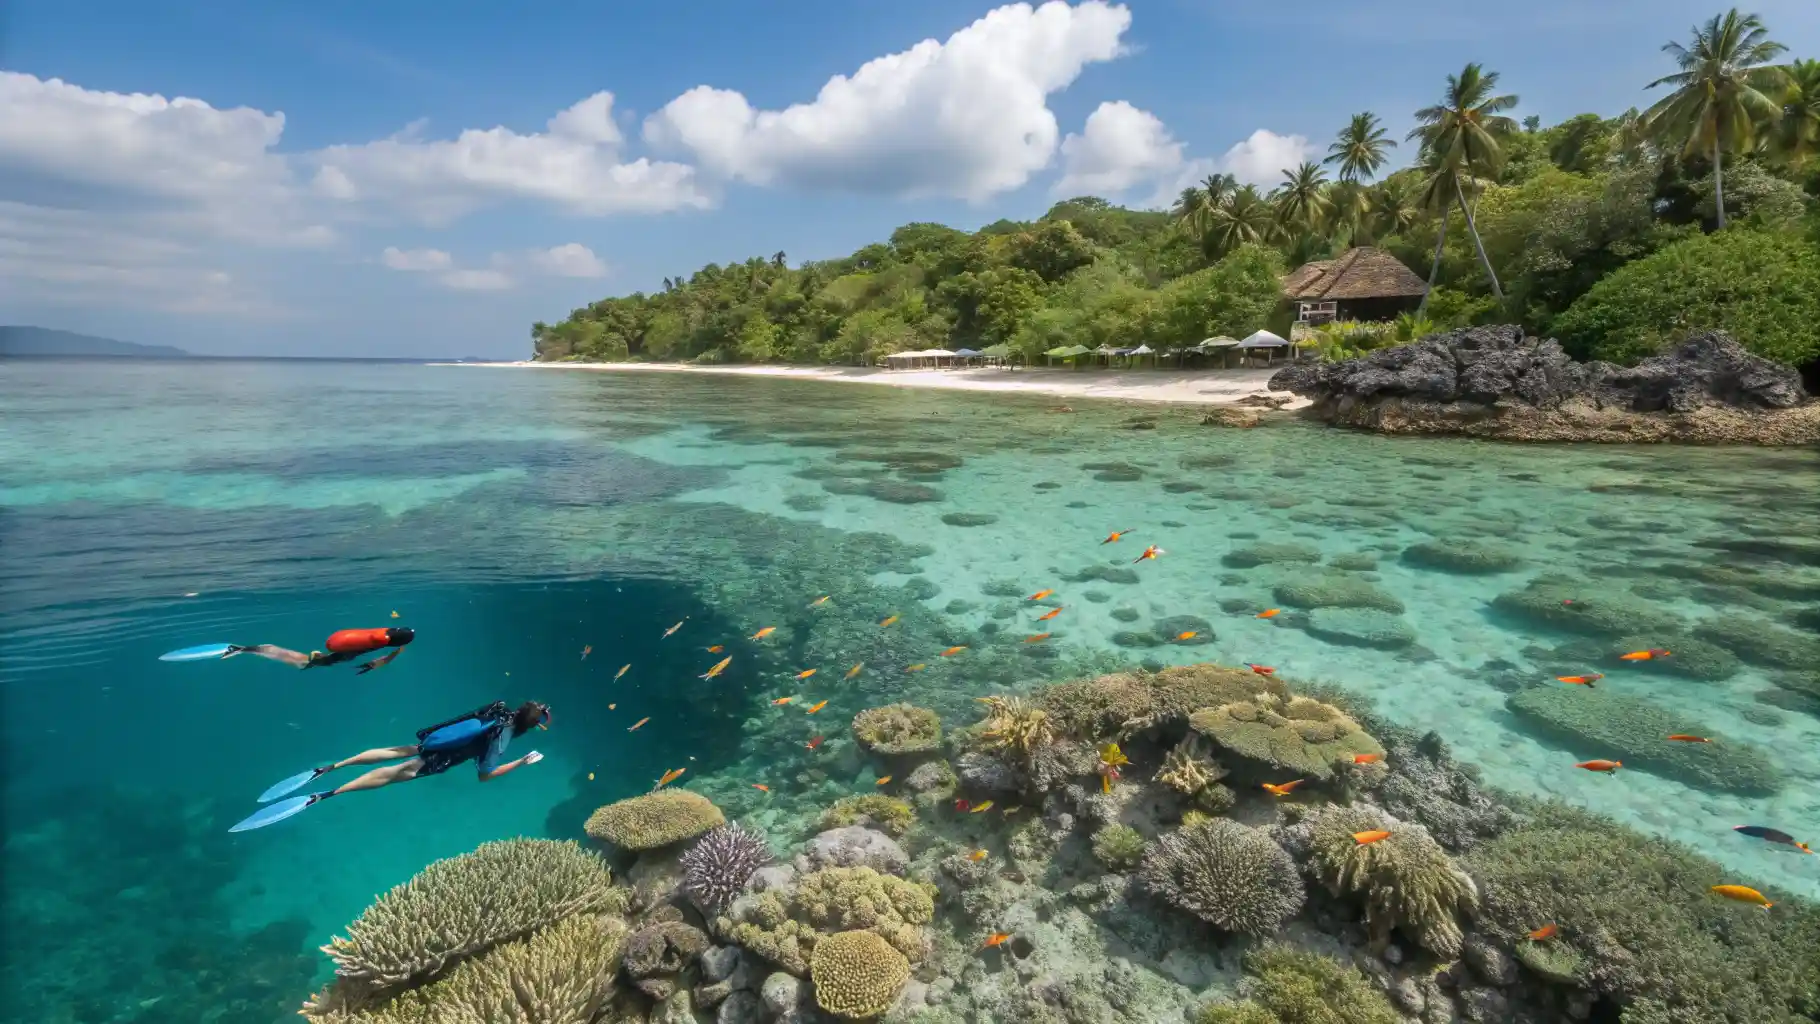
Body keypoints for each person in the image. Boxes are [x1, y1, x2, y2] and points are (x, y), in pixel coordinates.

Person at [231, 701, 551, 832]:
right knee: (391, 776)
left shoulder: (499, 709)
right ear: (529, 726)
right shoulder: (503, 737)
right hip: (442, 757)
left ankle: (328, 768)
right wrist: (521, 762)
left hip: (434, 741)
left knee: (392, 751)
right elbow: (485, 775)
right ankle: (325, 794)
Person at [232, 626, 415, 674]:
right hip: (346, 650)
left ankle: (249, 649)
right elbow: (386, 658)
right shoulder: (383, 642)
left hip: (339, 637)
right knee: (305, 663)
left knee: (311, 663)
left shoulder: (386, 631)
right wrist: (371, 666)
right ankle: (253, 649)